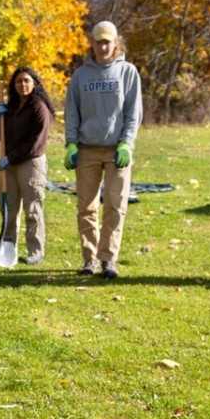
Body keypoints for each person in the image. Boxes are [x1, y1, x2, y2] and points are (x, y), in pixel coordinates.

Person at [64, 20, 142, 279]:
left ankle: (108, 259)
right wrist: (71, 143)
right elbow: (72, 112)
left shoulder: (127, 73)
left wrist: (126, 144)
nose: (103, 46)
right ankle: (90, 259)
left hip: (116, 151)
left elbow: (133, 113)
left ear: (116, 43)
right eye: (98, 41)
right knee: (86, 207)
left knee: (115, 205)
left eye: (107, 41)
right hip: (86, 150)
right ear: (93, 43)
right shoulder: (80, 76)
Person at [0, 66, 55, 265]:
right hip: (10, 164)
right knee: (9, 209)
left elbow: (36, 143)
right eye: (18, 81)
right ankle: (8, 247)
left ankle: (36, 251)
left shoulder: (39, 107)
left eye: (27, 80)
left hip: (30, 163)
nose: (22, 85)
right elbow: (1, 135)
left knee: (32, 208)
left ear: (34, 83)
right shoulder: (12, 107)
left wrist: (11, 157)